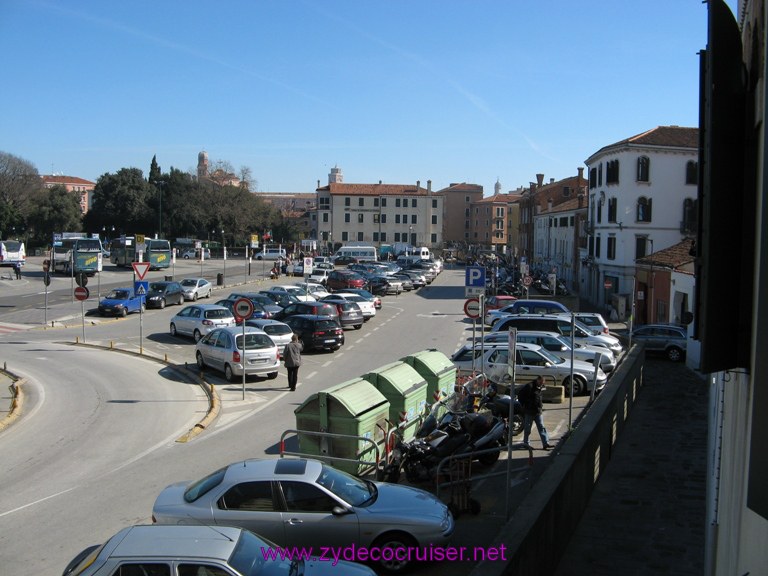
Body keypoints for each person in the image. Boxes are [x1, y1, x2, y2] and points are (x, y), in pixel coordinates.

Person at [517, 375, 553, 450]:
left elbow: (539, 397)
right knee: (527, 429)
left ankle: (545, 443)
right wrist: (525, 405)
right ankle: (526, 444)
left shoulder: (541, 386)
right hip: (529, 411)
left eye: (543, 383)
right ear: (538, 380)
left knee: (542, 427)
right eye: (541, 382)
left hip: (538, 411)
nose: (542, 384)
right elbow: (520, 396)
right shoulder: (529, 386)